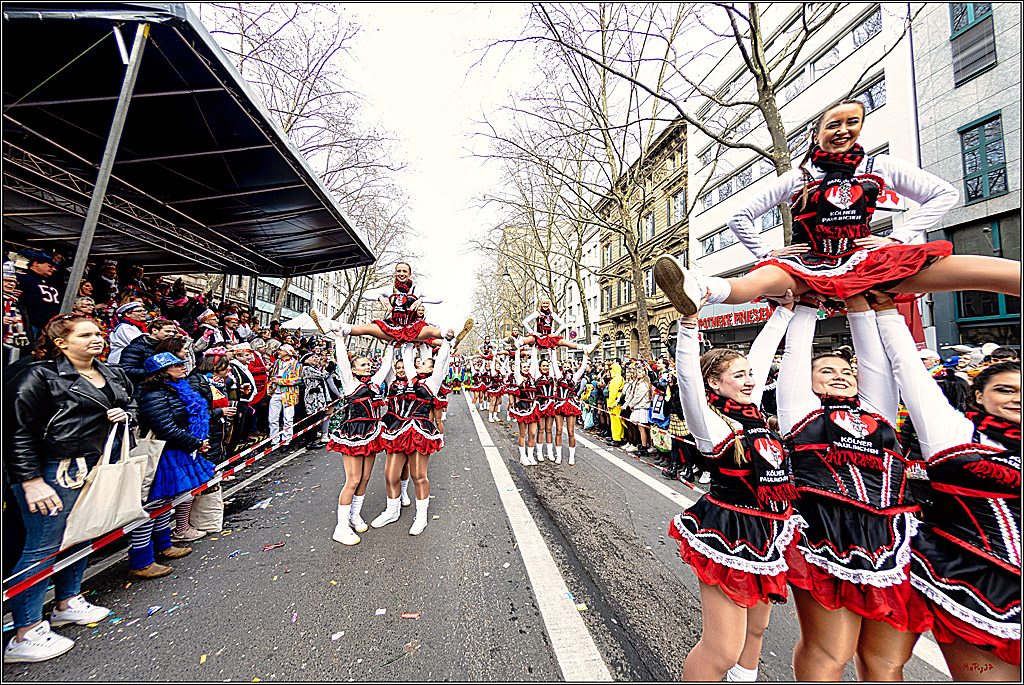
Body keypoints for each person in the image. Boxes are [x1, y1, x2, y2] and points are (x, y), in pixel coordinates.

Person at [653, 99, 1020, 317]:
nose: (843, 130)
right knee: (758, 280)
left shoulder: (880, 167)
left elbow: (943, 194)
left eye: (852, 123)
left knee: (983, 271)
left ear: (860, 128)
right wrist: (767, 251)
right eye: (834, 124)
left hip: (865, 261)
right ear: (817, 134)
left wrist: (898, 237)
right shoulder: (796, 177)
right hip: (809, 263)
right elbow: (738, 216)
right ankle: (699, 288)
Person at [873, 294, 1020, 680]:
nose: (1016, 397)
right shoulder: (955, 432)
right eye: (1005, 389)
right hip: (972, 582)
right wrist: (886, 309)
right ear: (978, 395)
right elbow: (908, 369)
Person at [778, 298, 924, 680]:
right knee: (831, 652)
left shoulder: (879, 413)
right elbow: (796, 352)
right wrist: (807, 305)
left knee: (886, 661)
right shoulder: (801, 412)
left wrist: (862, 303)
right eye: (826, 370)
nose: (840, 375)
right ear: (807, 381)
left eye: (846, 370)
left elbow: (873, 358)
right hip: (826, 535)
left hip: (894, 540)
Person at [669, 302, 798, 682]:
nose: (749, 381)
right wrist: (690, 323)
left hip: (771, 531)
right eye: (738, 375)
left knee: (755, 634)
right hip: (728, 533)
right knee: (722, 649)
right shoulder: (712, 422)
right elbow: (687, 376)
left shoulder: (754, 412)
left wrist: (784, 315)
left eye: (750, 375)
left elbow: (763, 350)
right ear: (714, 382)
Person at [4, 315, 131, 663]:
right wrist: (30, 482)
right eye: (86, 334)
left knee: (83, 535)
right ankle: (25, 632)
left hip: (95, 467)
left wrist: (124, 414)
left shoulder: (111, 373)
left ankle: (67, 601)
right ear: (61, 342)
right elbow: (17, 431)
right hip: (53, 472)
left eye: (98, 333)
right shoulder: (39, 375)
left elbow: (130, 401)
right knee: (41, 547)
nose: (97, 339)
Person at [134, 352, 214, 564]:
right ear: (162, 372)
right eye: (176, 365)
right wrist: (195, 442)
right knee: (153, 505)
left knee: (168, 502)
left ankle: (163, 546)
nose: (182, 367)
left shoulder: (177, 389)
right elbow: (165, 428)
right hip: (164, 455)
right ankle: (141, 560)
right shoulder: (154, 395)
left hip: (179, 451)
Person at [371, 333, 454, 534]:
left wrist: (447, 341)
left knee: (418, 475)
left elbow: (442, 359)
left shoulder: (433, 382)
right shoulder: (409, 378)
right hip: (397, 430)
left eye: (425, 362)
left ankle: (421, 516)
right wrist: (406, 337)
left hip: (419, 430)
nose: (419, 363)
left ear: (432, 369)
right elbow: (406, 359)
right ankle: (392, 511)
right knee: (390, 475)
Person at [327, 332, 393, 545]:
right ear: (354, 369)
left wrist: (391, 345)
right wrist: (339, 338)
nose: (368, 366)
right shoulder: (350, 382)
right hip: (353, 433)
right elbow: (342, 362)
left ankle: (354, 515)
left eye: (368, 364)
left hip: (372, 432)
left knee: (365, 478)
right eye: (363, 364)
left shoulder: (374, 383)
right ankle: (341, 527)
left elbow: (385, 367)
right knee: (353, 480)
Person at [317, 263, 445, 344]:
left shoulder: (417, 289)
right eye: (399, 271)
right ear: (395, 273)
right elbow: (364, 293)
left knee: (433, 331)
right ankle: (331, 325)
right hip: (393, 327)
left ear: (409, 274)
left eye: (404, 271)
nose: (401, 274)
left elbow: (439, 298)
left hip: (413, 327)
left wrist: (421, 300)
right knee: (366, 328)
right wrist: (380, 298)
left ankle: (448, 335)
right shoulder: (389, 289)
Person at [117, 318, 179, 392]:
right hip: (142, 389)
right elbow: (126, 369)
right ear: (154, 330)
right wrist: (155, 372)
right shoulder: (136, 348)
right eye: (167, 331)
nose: (171, 334)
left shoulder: (167, 346)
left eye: (173, 332)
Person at [552, 348, 589, 465]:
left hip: (570, 405)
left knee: (571, 431)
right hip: (559, 404)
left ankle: (571, 456)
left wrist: (585, 354)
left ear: (571, 368)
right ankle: (558, 455)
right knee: (558, 430)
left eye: (568, 367)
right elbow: (553, 363)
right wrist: (553, 350)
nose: (566, 369)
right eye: (564, 367)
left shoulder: (574, 377)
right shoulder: (558, 376)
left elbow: (583, 367)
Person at [15, 250, 62, 340]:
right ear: (36, 264)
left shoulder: (52, 282)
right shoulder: (22, 278)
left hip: (50, 326)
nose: (53, 269)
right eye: (50, 266)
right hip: (31, 325)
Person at [510, 346, 541, 466]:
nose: (527, 368)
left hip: (533, 407)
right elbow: (517, 366)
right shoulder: (519, 378)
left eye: (528, 367)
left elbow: (534, 363)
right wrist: (517, 351)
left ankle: (530, 455)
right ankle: (523, 456)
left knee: (532, 433)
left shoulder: (533, 378)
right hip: (522, 407)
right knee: (523, 433)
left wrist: (534, 349)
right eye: (525, 367)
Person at [267, 345, 301, 448]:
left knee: (288, 418)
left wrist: (281, 381)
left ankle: (286, 441)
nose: (278, 352)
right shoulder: (277, 363)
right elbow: (273, 375)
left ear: (287, 352)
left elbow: (298, 379)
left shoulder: (296, 364)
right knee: (272, 418)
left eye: (281, 350)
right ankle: (274, 440)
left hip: (289, 394)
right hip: (275, 392)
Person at [3, 261, 32, 365]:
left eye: (14, 282)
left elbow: (26, 325)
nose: (11, 284)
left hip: (16, 344)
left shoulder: (18, 301)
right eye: (6, 281)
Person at [606, 362, 625, 446]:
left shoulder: (615, 380)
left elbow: (612, 393)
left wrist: (609, 404)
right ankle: (620, 437)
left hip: (614, 404)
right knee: (619, 421)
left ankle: (616, 439)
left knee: (615, 422)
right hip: (618, 402)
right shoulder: (621, 378)